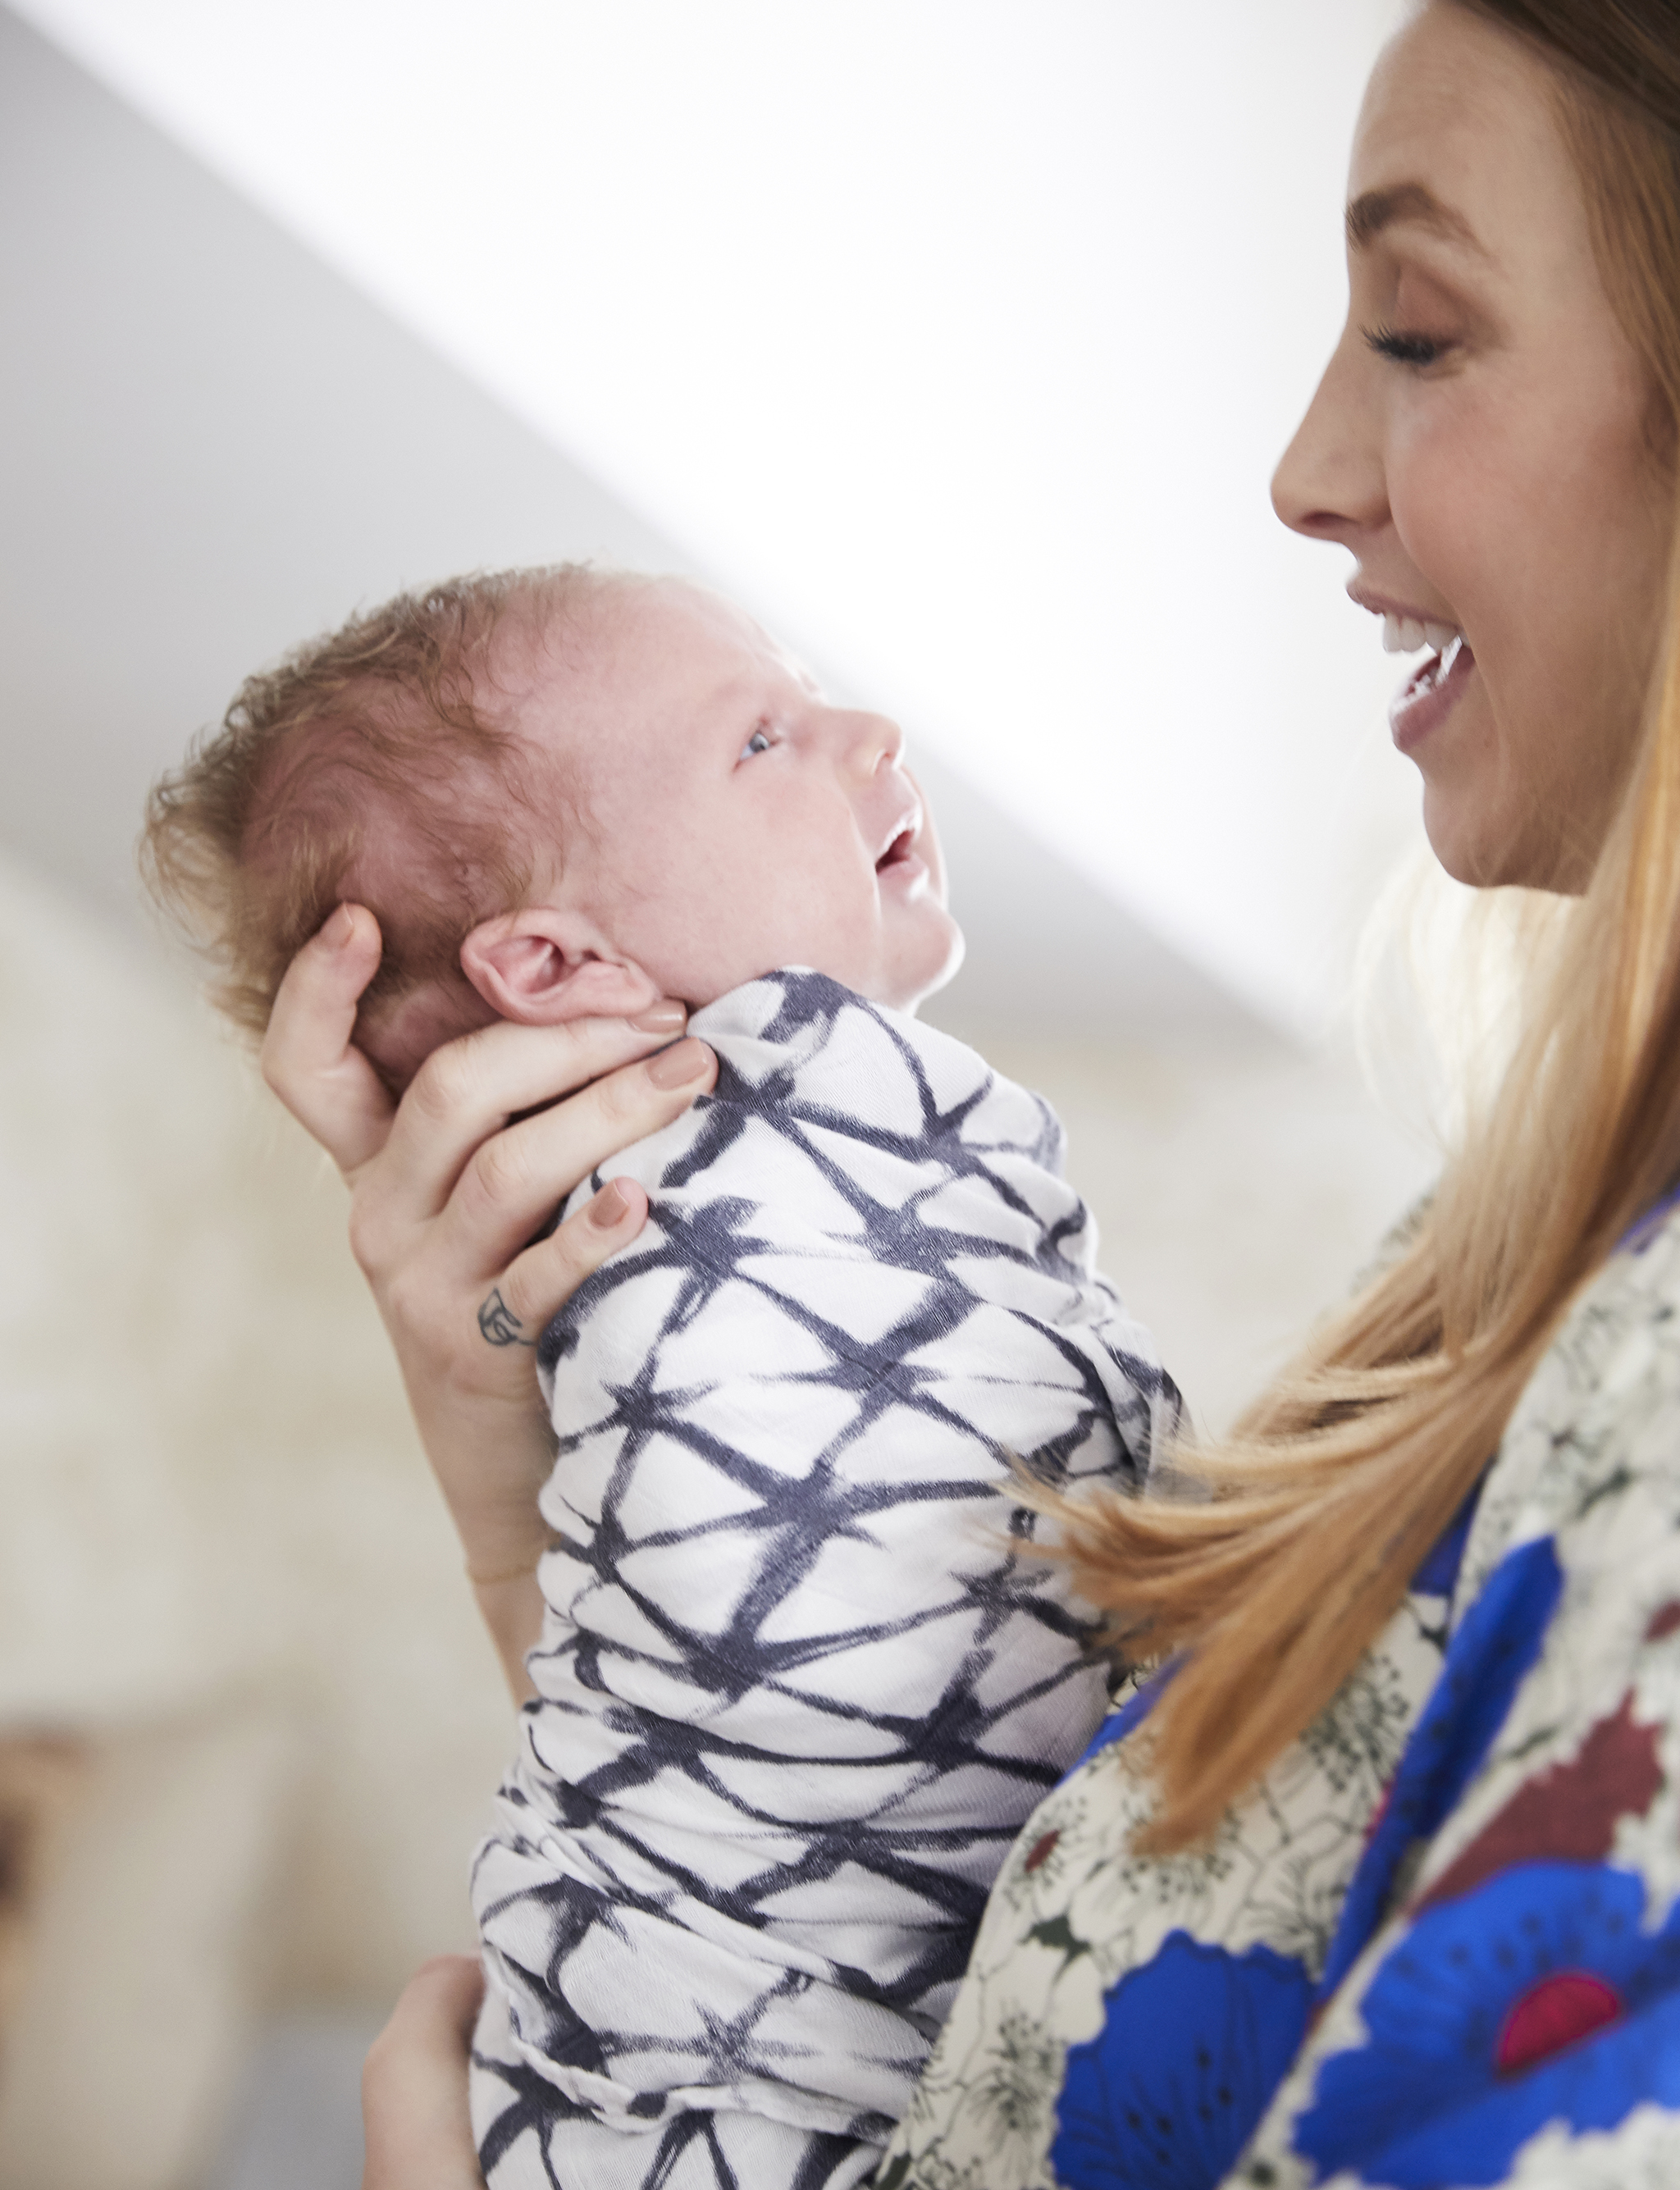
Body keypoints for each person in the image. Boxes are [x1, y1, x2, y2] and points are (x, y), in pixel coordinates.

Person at [267, 0, 1680, 2179]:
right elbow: (957, 1865)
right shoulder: (1516, 1253)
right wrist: (521, 1487)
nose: (1304, 468)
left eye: (1417, 328)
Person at [144, 572, 1180, 2187]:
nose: (866, 729)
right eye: (764, 737)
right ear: (553, 970)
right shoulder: (702, 1194)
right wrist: (496, 1475)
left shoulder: (804, 1198)